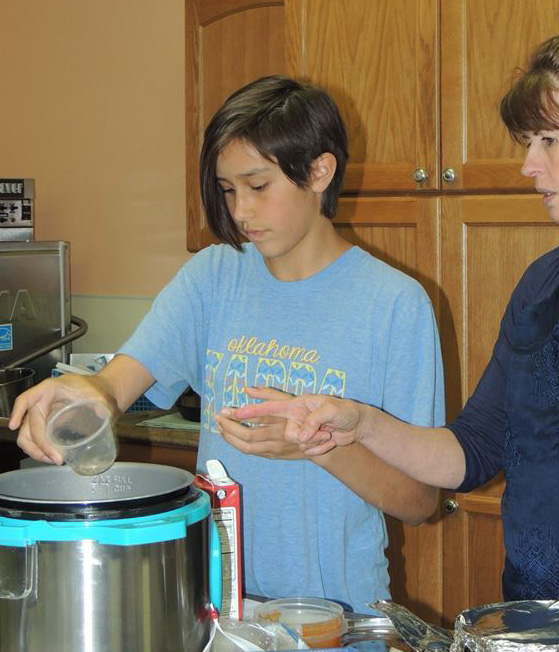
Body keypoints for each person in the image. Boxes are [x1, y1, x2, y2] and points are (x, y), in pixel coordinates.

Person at [229, 34, 559, 652]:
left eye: (548, 141)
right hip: (537, 627)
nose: (527, 165)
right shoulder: (544, 284)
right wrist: (357, 424)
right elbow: (474, 450)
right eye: (527, 144)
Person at [9, 75, 445, 613]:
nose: (240, 211)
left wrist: (318, 446)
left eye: (259, 186)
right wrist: (87, 396)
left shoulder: (395, 304)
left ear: (319, 171)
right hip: (217, 603)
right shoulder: (214, 277)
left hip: (338, 615)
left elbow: (419, 501)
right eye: (228, 189)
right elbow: (115, 383)